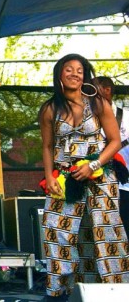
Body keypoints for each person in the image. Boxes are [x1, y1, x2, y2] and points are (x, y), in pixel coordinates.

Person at [39, 54, 129, 300]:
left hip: (100, 176)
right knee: (56, 230)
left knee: (106, 231)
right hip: (66, 178)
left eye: (79, 70)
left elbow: (115, 141)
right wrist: (49, 176)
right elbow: (47, 147)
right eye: (69, 69)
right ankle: (58, 292)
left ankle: (115, 291)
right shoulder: (49, 108)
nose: (75, 74)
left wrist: (95, 164)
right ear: (60, 74)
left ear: (85, 75)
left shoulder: (97, 102)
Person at [94, 76, 129, 234]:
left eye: (93, 90)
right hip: (97, 186)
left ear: (107, 91)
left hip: (125, 187)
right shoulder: (87, 120)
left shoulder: (127, 118)